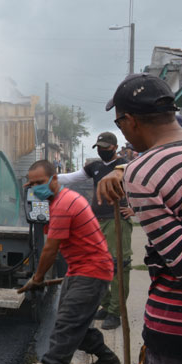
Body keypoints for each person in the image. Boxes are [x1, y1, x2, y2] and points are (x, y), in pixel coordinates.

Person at [96, 73, 182, 364]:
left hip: (176, 332)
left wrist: (127, 168)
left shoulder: (143, 173)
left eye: (120, 125)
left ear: (131, 121)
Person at [18, 160, 119, 364]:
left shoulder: (65, 204)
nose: (36, 188)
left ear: (55, 179)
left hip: (93, 270)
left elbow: (50, 249)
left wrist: (37, 278)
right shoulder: (56, 201)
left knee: (67, 324)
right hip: (78, 268)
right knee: (75, 323)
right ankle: (108, 360)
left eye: (40, 182)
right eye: (32, 184)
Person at [56, 131, 134, 330]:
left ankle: (116, 312)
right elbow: (72, 178)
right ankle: (107, 305)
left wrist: (135, 208)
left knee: (118, 265)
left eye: (105, 148)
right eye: (99, 147)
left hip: (116, 221)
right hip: (96, 221)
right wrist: (49, 177)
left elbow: (143, 186)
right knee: (99, 265)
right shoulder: (95, 166)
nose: (101, 151)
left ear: (114, 148)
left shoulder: (126, 165)